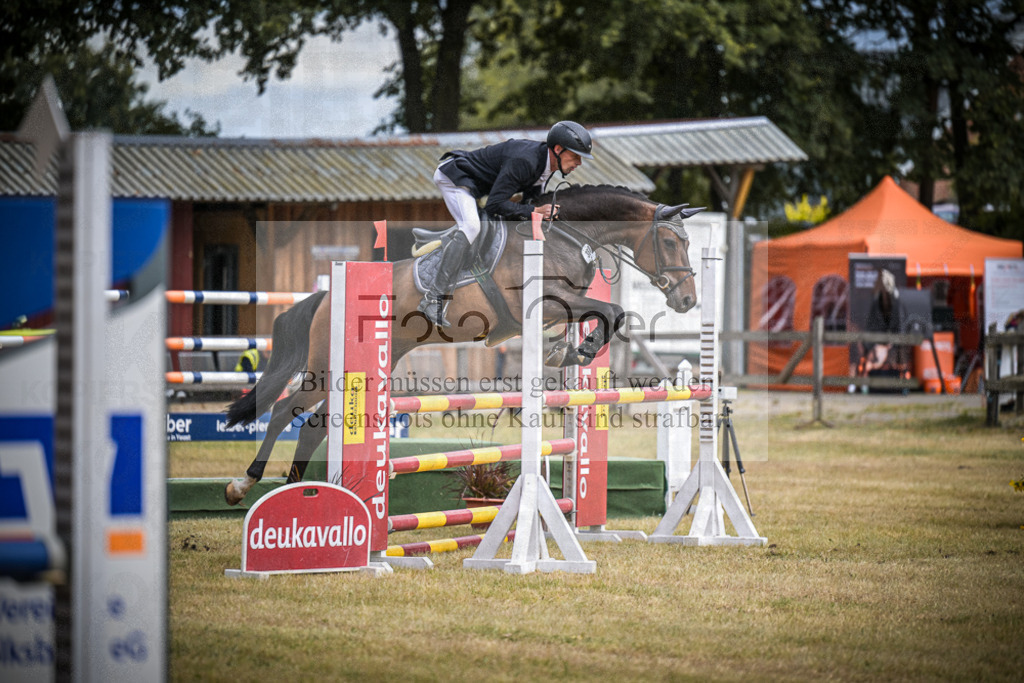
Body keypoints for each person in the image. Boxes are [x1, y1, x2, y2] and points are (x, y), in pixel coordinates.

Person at [418, 120, 595, 326]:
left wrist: (542, 213)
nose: (579, 163)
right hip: (455, 178)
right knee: (472, 227)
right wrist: (534, 211)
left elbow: (529, 202)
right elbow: (495, 204)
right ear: (557, 149)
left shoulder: (546, 166)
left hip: (475, 186)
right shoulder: (526, 161)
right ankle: (433, 299)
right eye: (575, 156)